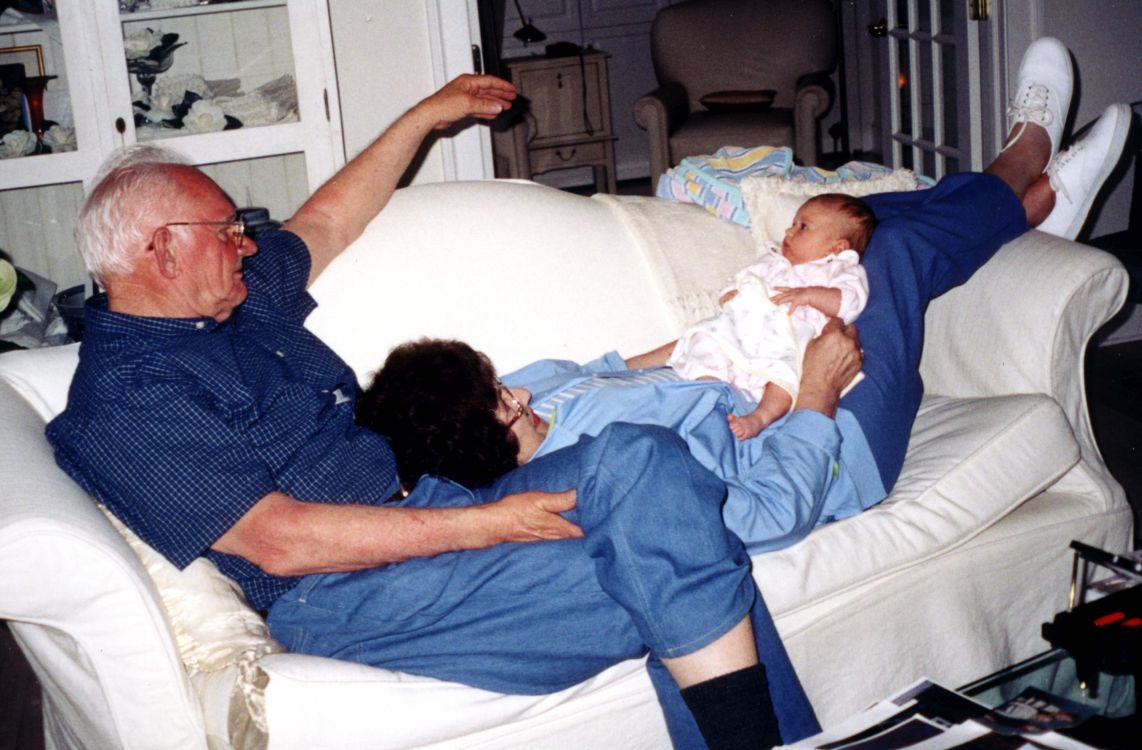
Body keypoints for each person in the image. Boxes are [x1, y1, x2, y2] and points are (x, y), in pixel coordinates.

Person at [45, 73, 834, 750]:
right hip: (342, 590)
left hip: (430, 505)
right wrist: (486, 525)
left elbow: (328, 220)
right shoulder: (125, 398)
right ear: (162, 250)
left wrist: (429, 114)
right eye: (226, 232)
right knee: (672, 553)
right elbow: (279, 541)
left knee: (645, 456)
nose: (247, 244)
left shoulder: (239, 305)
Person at [360, 38, 1131, 557]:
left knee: (847, 229)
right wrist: (816, 394)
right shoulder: (576, 489)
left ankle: (1022, 205)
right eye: (506, 404)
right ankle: (1024, 162)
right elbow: (768, 517)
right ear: (486, 454)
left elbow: (629, 366)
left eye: (500, 380)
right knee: (889, 254)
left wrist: (735, 319)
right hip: (835, 446)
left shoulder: (534, 391)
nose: (523, 390)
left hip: (762, 358)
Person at [666, 193, 875, 440]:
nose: (789, 231)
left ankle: (760, 417)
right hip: (744, 330)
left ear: (837, 247)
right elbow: (742, 278)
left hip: (787, 340)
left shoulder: (841, 270)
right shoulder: (772, 260)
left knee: (785, 376)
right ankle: (708, 388)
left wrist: (810, 295)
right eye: (793, 223)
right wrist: (731, 293)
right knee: (705, 338)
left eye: (803, 227)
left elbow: (850, 303)